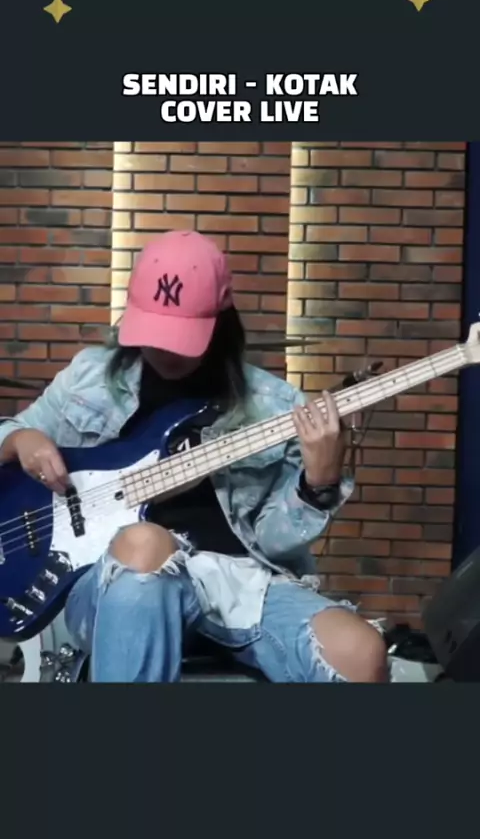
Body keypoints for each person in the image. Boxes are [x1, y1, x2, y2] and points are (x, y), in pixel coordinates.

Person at [0, 231, 388, 683]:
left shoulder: (277, 405)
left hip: (239, 581)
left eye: (179, 335)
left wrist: (316, 486)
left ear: (221, 322)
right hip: (116, 577)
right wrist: (20, 438)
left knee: (361, 653)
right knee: (146, 543)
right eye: (154, 331)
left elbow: (273, 542)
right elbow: (9, 434)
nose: (164, 350)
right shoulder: (89, 377)